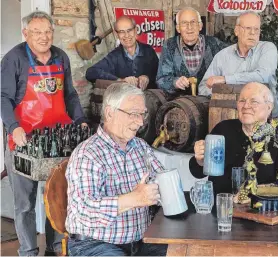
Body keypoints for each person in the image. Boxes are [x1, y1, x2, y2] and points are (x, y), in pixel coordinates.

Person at [1, 11, 87, 256]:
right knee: (25, 203)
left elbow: (69, 94)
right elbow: (3, 97)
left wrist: (79, 119)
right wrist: (13, 127)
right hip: (24, 140)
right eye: (37, 32)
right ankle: (28, 251)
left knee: (57, 195)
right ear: (25, 34)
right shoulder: (13, 59)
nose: (43, 36)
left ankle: (55, 246)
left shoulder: (60, 56)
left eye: (48, 31)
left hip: (57, 140)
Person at [66, 83, 167, 256]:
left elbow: (161, 181)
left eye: (142, 114)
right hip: (95, 244)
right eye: (133, 114)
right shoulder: (88, 154)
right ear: (110, 113)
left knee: (184, 251)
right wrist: (134, 199)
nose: (140, 122)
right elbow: (84, 210)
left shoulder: (140, 146)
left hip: (140, 242)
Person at [190, 82, 278, 196]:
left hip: (262, 210)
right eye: (242, 101)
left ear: (269, 107)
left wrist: (260, 191)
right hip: (223, 208)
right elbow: (197, 172)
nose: (246, 106)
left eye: (253, 101)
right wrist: (200, 161)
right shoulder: (223, 130)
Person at [198, 12, 278, 116]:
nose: (252, 33)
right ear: (237, 31)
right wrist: (221, 98)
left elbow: (263, 76)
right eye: (248, 28)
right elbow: (203, 87)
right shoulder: (222, 56)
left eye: (256, 29)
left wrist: (225, 79)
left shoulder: (267, 48)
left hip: (265, 117)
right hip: (228, 116)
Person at [156, 7, 228, 96]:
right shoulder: (170, 45)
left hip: (210, 102)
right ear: (178, 28)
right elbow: (161, 80)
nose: (189, 27)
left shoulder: (214, 44)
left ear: (200, 26)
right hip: (180, 103)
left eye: (193, 22)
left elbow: (234, 58)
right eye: (184, 23)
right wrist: (175, 82)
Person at [85, 16, 159, 90]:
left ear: (135, 30)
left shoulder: (148, 51)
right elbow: (90, 73)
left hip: (149, 99)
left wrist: (147, 77)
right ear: (116, 34)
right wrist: (120, 80)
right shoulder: (114, 56)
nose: (126, 35)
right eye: (121, 32)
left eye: (129, 30)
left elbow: (160, 74)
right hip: (126, 100)